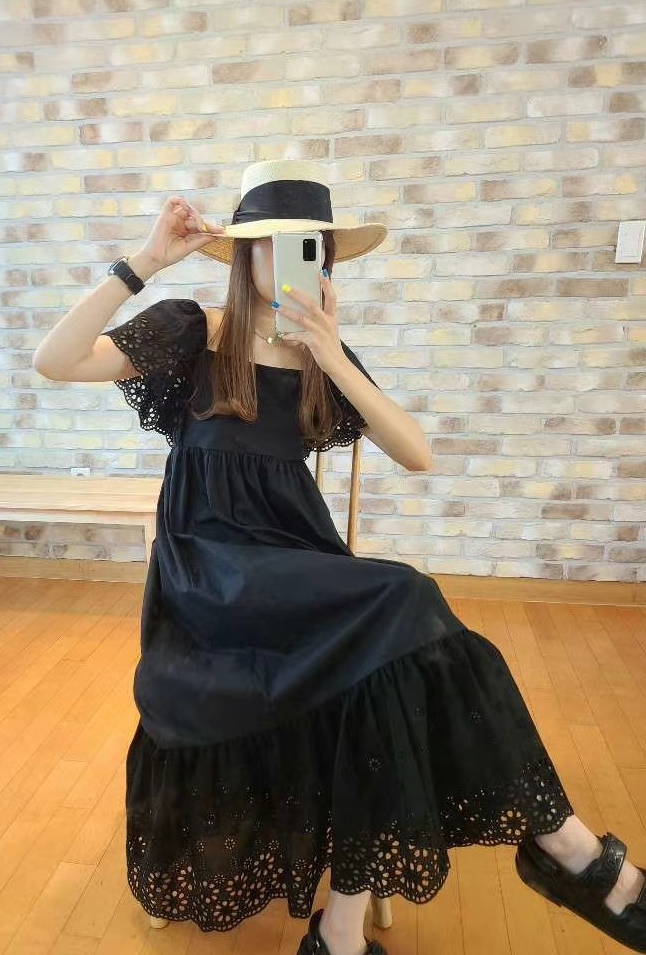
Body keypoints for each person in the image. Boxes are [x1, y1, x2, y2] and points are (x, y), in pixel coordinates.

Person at [33, 159, 646, 955]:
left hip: (300, 566)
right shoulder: (194, 331)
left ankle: (343, 930)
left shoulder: (323, 356)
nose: (297, 259)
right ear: (245, 255)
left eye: (311, 246)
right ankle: (572, 854)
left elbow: (417, 454)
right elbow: (55, 361)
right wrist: (144, 262)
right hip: (211, 578)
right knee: (405, 603)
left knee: (386, 663)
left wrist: (331, 353)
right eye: (276, 242)